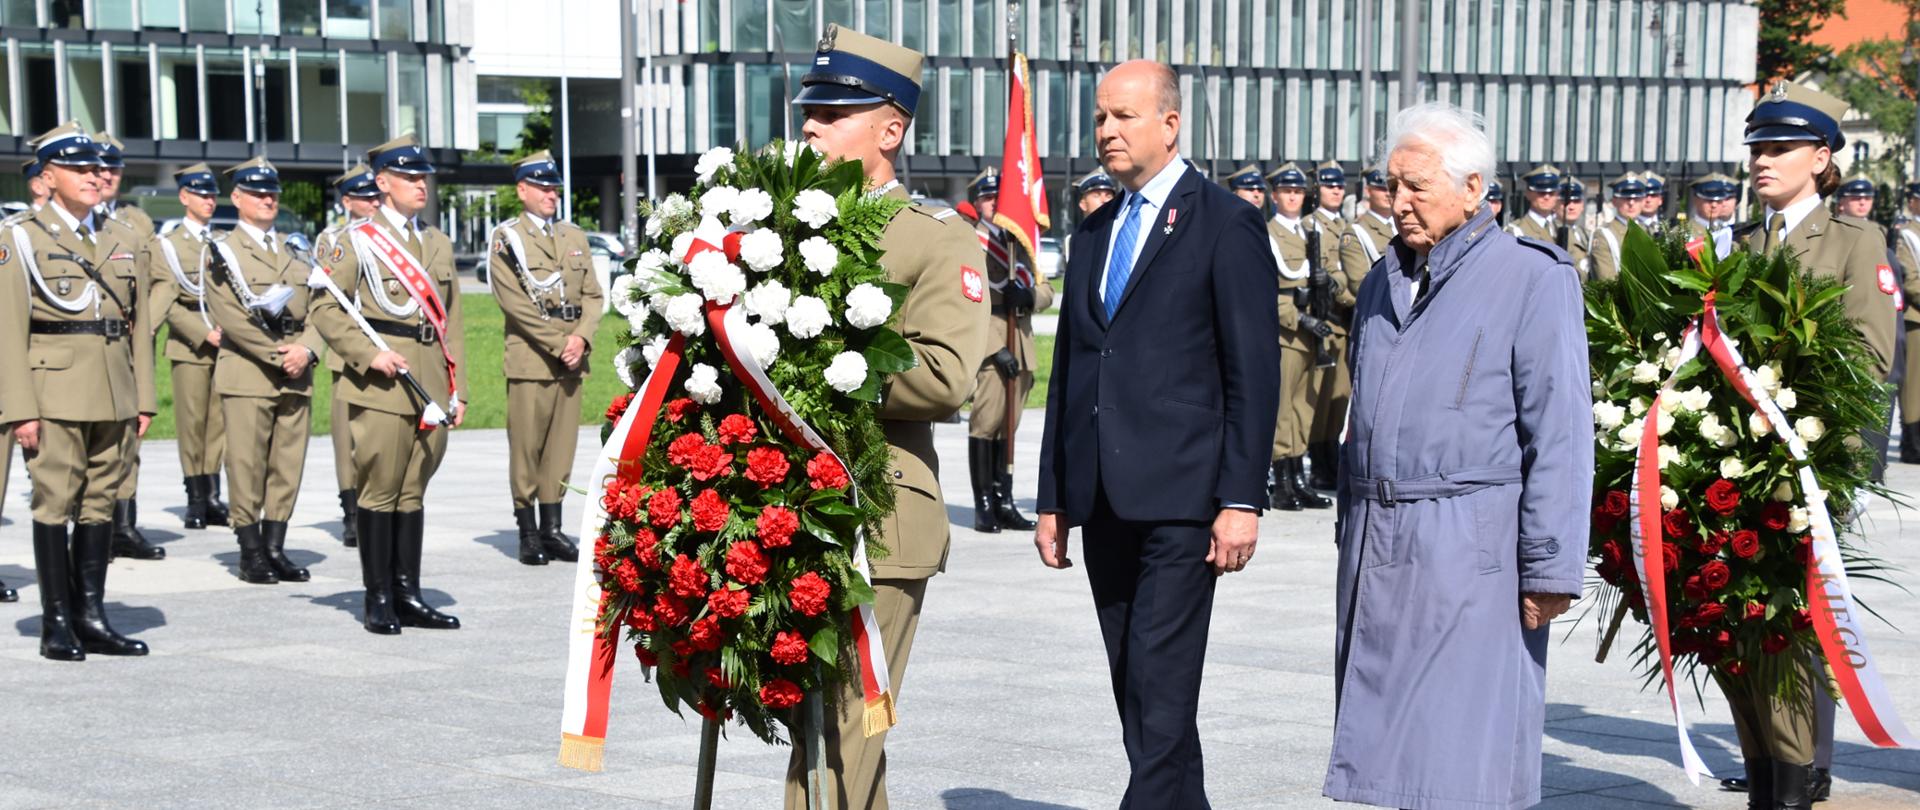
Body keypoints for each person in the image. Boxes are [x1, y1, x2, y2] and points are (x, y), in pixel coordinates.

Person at [1322, 101, 1590, 810]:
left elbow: (1560, 431)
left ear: (1474, 189)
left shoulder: (1533, 275)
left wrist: (1552, 564)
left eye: (1418, 187)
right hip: (1379, 540)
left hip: (1472, 545)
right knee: (1385, 754)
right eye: (1390, 185)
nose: (1398, 204)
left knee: (1462, 755)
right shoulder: (1382, 278)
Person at [1034, 59, 1280, 808]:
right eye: (1102, 117)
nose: (1106, 131)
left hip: (1183, 500)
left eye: (1124, 117)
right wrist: (1053, 496)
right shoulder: (1097, 229)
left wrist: (1242, 497)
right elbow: (1074, 372)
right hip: (1103, 497)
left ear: (1170, 124)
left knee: (1162, 686)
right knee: (1136, 689)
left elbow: (1253, 371)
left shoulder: (1225, 223)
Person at [785, 25, 989, 808]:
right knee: (816, 730)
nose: (810, 126)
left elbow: (943, 377)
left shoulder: (937, 239)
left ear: (890, 129)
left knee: (845, 732)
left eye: (833, 114)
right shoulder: (786, 231)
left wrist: (821, 363)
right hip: (790, 510)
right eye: (811, 111)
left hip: (878, 519)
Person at [1727, 82, 1897, 808]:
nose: (1762, 161)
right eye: (1756, 149)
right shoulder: (1742, 244)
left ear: (1821, 157)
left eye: (1778, 149)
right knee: (1734, 617)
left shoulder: (1857, 241)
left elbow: (1868, 357)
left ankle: (1796, 779)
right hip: (1731, 462)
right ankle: (1765, 770)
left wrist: (1827, 460)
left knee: (1791, 621)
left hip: (1805, 465)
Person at [0, 122, 158, 660]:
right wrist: (20, 410)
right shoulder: (20, 237)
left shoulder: (121, 236)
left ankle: (91, 615)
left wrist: (143, 396)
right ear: (47, 177)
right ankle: (56, 622)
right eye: (79, 167)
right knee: (55, 501)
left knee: (100, 503)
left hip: (113, 387)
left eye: (99, 167)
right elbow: (7, 329)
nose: (95, 175)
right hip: (55, 389)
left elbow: (136, 323)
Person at [313, 134, 467, 635]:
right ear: (382, 183)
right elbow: (325, 307)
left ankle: (409, 593)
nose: (420, 184)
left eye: (423, 176)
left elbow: (453, 323)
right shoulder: (354, 240)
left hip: (428, 379)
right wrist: (367, 354)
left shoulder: (437, 242)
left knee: (413, 491)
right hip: (379, 381)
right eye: (408, 176)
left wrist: (456, 387)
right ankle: (377, 596)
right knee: (380, 490)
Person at [204, 157, 325, 584]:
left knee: (287, 464)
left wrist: (308, 350)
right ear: (236, 198)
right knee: (246, 463)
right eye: (257, 192)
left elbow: (323, 308)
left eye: (272, 191)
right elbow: (229, 315)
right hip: (250, 369)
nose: (267, 198)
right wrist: (282, 356)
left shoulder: (297, 248)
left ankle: (275, 546)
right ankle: (250, 550)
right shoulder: (222, 250)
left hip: (297, 368)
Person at [487, 149, 602, 565]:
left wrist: (582, 339)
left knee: (561, 447)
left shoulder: (573, 236)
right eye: (542, 186)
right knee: (527, 447)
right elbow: (513, 304)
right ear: (522, 190)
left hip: (572, 356)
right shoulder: (507, 238)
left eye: (553, 186)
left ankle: (553, 529)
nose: (551, 192)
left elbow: (593, 295)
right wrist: (560, 343)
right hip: (532, 357)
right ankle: (528, 531)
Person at [965, 166, 1054, 534]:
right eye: (986, 198)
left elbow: (1047, 289)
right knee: (986, 423)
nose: (992, 204)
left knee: (1010, 427)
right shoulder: (972, 242)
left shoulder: (1021, 243)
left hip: (1023, 338)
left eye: (996, 198)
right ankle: (984, 504)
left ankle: (1005, 500)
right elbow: (967, 298)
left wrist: (1029, 295)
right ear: (976, 203)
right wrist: (994, 347)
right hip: (991, 338)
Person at [88, 131, 164, 559]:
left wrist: (144, 322)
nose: (107, 176)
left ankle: (122, 523)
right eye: (99, 168)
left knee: (127, 437)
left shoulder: (137, 224)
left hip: (126, 343)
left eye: (114, 168)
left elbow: (162, 280)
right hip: (81, 349)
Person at [145, 163, 229, 529]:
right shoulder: (167, 245)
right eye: (201, 194)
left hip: (225, 338)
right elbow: (165, 300)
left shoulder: (223, 241)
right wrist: (201, 332)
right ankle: (195, 497)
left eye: (212, 194)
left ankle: (213, 495)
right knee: (192, 422)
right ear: (184, 197)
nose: (209, 200)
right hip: (190, 343)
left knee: (218, 423)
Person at [316, 161, 383, 548]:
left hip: (387, 348)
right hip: (348, 351)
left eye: (376, 196)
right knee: (347, 436)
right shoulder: (335, 240)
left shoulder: (390, 238)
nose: (372, 202)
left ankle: (374, 505)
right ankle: (351, 510)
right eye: (364, 197)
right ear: (347, 202)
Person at [1265, 161, 1334, 512]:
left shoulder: (1311, 233)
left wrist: (1328, 285)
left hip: (1314, 335)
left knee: (1305, 410)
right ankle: (1282, 482)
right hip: (1288, 335)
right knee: (1283, 412)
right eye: (1286, 192)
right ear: (1275, 196)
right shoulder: (1269, 234)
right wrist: (1300, 319)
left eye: (1297, 192)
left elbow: (1320, 280)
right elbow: (1265, 293)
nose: (1293, 197)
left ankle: (1299, 479)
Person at [1306, 159, 1355, 492]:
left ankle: (1327, 461)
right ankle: (1315, 465)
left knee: (1337, 400)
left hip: (1343, 322)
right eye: (1328, 185)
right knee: (1314, 403)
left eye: (1340, 185)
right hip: (1321, 321)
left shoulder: (1344, 226)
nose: (1336, 190)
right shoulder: (1312, 226)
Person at [1339, 166, 1395, 297]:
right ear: (1368, 191)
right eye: (1381, 188)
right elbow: (1359, 284)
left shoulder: (1405, 226)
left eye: (1391, 188)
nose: (1387, 193)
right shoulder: (1356, 231)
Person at [1586, 173, 1646, 282]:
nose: (1631, 203)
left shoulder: (1647, 231)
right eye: (1626, 198)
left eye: (1636, 198)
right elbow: (1607, 280)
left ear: (1643, 201)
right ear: (1614, 201)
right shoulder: (1603, 234)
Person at [1899, 182, 1920, 464]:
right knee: (1915, 387)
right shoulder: (1907, 235)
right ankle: (1913, 443)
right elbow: (1909, 278)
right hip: (1917, 318)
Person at [1687, 173, 1741, 260]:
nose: (1714, 205)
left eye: (1719, 200)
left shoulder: (1725, 231)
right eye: (1708, 200)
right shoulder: (1683, 231)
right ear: (1696, 200)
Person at [1505, 164, 1564, 243]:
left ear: (1557, 195)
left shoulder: (1562, 228)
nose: (1546, 197)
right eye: (1541, 192)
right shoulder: (1516, 230)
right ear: (1528, 194)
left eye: (1551, 193)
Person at [1559, 178, 1592, 271]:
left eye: (1576, 201)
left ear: (1582, 205)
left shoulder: (1586, 233)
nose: (1571, 207)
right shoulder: (1551, 231)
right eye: (1565, 202)